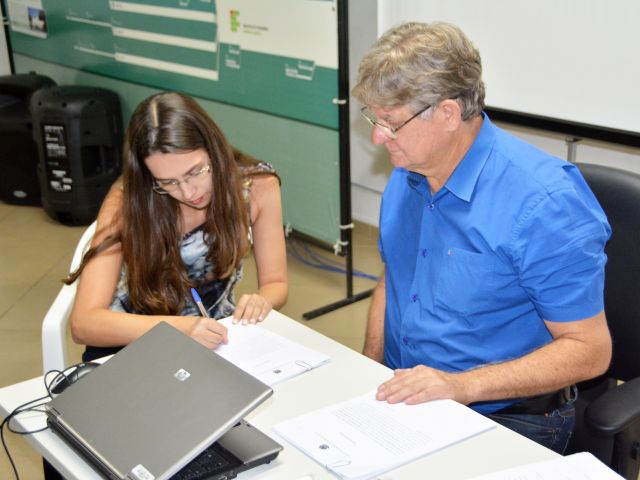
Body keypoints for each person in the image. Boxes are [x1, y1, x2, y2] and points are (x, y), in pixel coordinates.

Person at [352, 22, 612, 453]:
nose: (378, 138)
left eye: (391, 123)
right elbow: (395, 276)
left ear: (449, 114)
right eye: (374, 120)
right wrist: (368, 367)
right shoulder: (409, 171)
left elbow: (589, 350)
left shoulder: (544, 203)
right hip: (406, 397)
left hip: (510, 418)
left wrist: (460, 386)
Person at [67, 91, 288, 362]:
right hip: (128, 348)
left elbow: (276, 283)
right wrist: (181, 328)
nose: (187, 191)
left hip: (215, 340)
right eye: (167, 182)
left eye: (195, 171)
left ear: (214, 149)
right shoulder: (126, 202)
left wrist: (261, 300)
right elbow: (83, 324)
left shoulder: (257, 186)